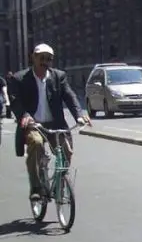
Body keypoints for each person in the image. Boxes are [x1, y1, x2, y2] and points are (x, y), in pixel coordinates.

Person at [10, 44, 90, 199]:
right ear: (33, 57)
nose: (44, 62)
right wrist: (25, 115)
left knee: (66, 150)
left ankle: (60, 183)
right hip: (34, 125)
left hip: (55, 124)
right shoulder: (19, 78)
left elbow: (70, 95)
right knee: (36, 143)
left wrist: (79, 116)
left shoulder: (58, 76)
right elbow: (15, 101)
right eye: (41, 58)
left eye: (49, 59)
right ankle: (36, 187)